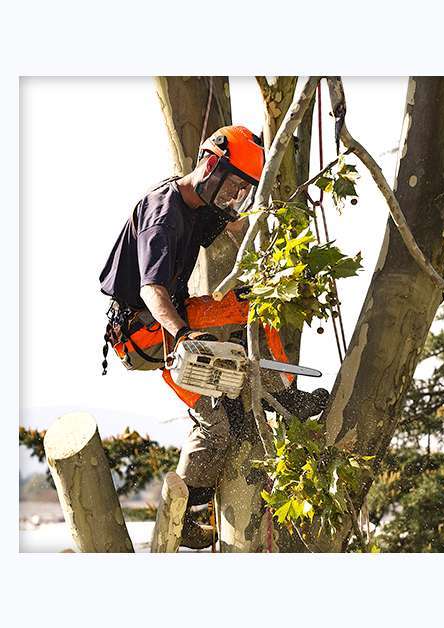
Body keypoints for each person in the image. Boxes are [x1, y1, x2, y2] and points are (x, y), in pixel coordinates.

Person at [99, 125, 328, 548]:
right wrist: (184, 334)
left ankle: (193, 504)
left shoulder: (202, 203)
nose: (233, 196)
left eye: (243, 189)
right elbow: (152, 290)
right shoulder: (163, 214)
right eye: (234, 185)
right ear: (209, 164)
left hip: (171, 322)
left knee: (222, 415)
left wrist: (286, 257)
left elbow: (238, 227)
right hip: (145, 331)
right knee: (239, 329)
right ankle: (282, 397)